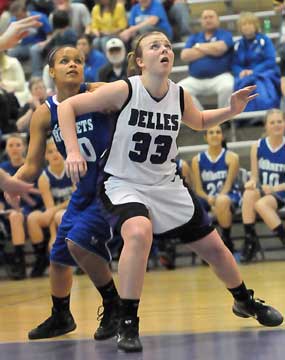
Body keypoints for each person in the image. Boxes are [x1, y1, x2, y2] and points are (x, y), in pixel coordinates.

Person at [57, 31, 283, 353]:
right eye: (154, 46)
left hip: (166, 184)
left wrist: (231, 110)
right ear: (139, 61)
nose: (164, 49)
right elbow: (67, 108)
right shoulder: (124, 89)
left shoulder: (179, 94)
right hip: (123, 182)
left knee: (215, 247)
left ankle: (244, 300)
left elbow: (200, 120)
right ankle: (128, 321)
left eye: (167, 45)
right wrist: (73, 151)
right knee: (138, 231)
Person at [5, 45, 120, 340]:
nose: (73, 65)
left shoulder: (98, 92)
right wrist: (13, 183)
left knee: (77, 244)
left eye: (79, 60)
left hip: (110, 186)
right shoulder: (43, 114)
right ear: (51, 71)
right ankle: (61, 316)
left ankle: (114, 305)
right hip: (81, 192)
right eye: (65, 61)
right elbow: (31, 165)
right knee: (58, 258)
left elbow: (132, 95)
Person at [241, 109, 285, 262]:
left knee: (261, 204)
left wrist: (274, 189)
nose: (277, 125)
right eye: (272, 122)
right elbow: (254, 175)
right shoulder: (258, 146)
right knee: (248, 194)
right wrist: (251, 182)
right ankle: (249, 239)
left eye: (280, 121)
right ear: (266, 126)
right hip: (266, 190)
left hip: (281, 192)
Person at [27, 138, 74, 277]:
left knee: (61, 215)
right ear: (45, 156)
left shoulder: (72, 168)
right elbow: (50, 208)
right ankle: (41, 259)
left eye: (57, 150)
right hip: (54, 212)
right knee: (32, 218)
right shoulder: (44, 177)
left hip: (73, 209)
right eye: (50, 152)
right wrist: (52, 234)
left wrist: (54, 236)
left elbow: (76, 199)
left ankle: (74, 259)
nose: (55, 154)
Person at [192, 125, 241, 253]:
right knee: (193, 204)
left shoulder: (232, 157)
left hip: (229, 196)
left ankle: (227, 240)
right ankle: (203, 248)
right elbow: (198, 189)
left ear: (222, 136)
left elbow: (228, 185)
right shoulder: (197, 160)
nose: (215, 135)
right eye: (211, 132)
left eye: (218, 132)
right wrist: (209, 199)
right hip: (207, 198)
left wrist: (216, 201)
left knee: (222, 201)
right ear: (205, 137)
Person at [179, 9, 234, 110]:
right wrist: (212, 49)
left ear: (218, 20)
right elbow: (185, 55)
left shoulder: (225, 34)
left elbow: (221, 48)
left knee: (228, 86)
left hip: (220, 77)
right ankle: (202, 120)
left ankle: (222, 120)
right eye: (205, 18)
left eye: (211, 17)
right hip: (196, 79)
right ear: (201, 21)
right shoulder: (194, 37)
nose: (208, 20)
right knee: (179, 90)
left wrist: (198, 46)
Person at [232, 12, 281, 112]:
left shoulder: (265, 40)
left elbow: (270, 60)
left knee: (260, 86)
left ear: (255, 26)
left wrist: (253, 71)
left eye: (250, 24)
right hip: (244, 76)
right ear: (240, 28)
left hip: (265, 73)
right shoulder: (238, 45)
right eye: (244, 24)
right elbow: (234, 64)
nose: (247, 27)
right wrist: (241, 71)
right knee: (238, 84)